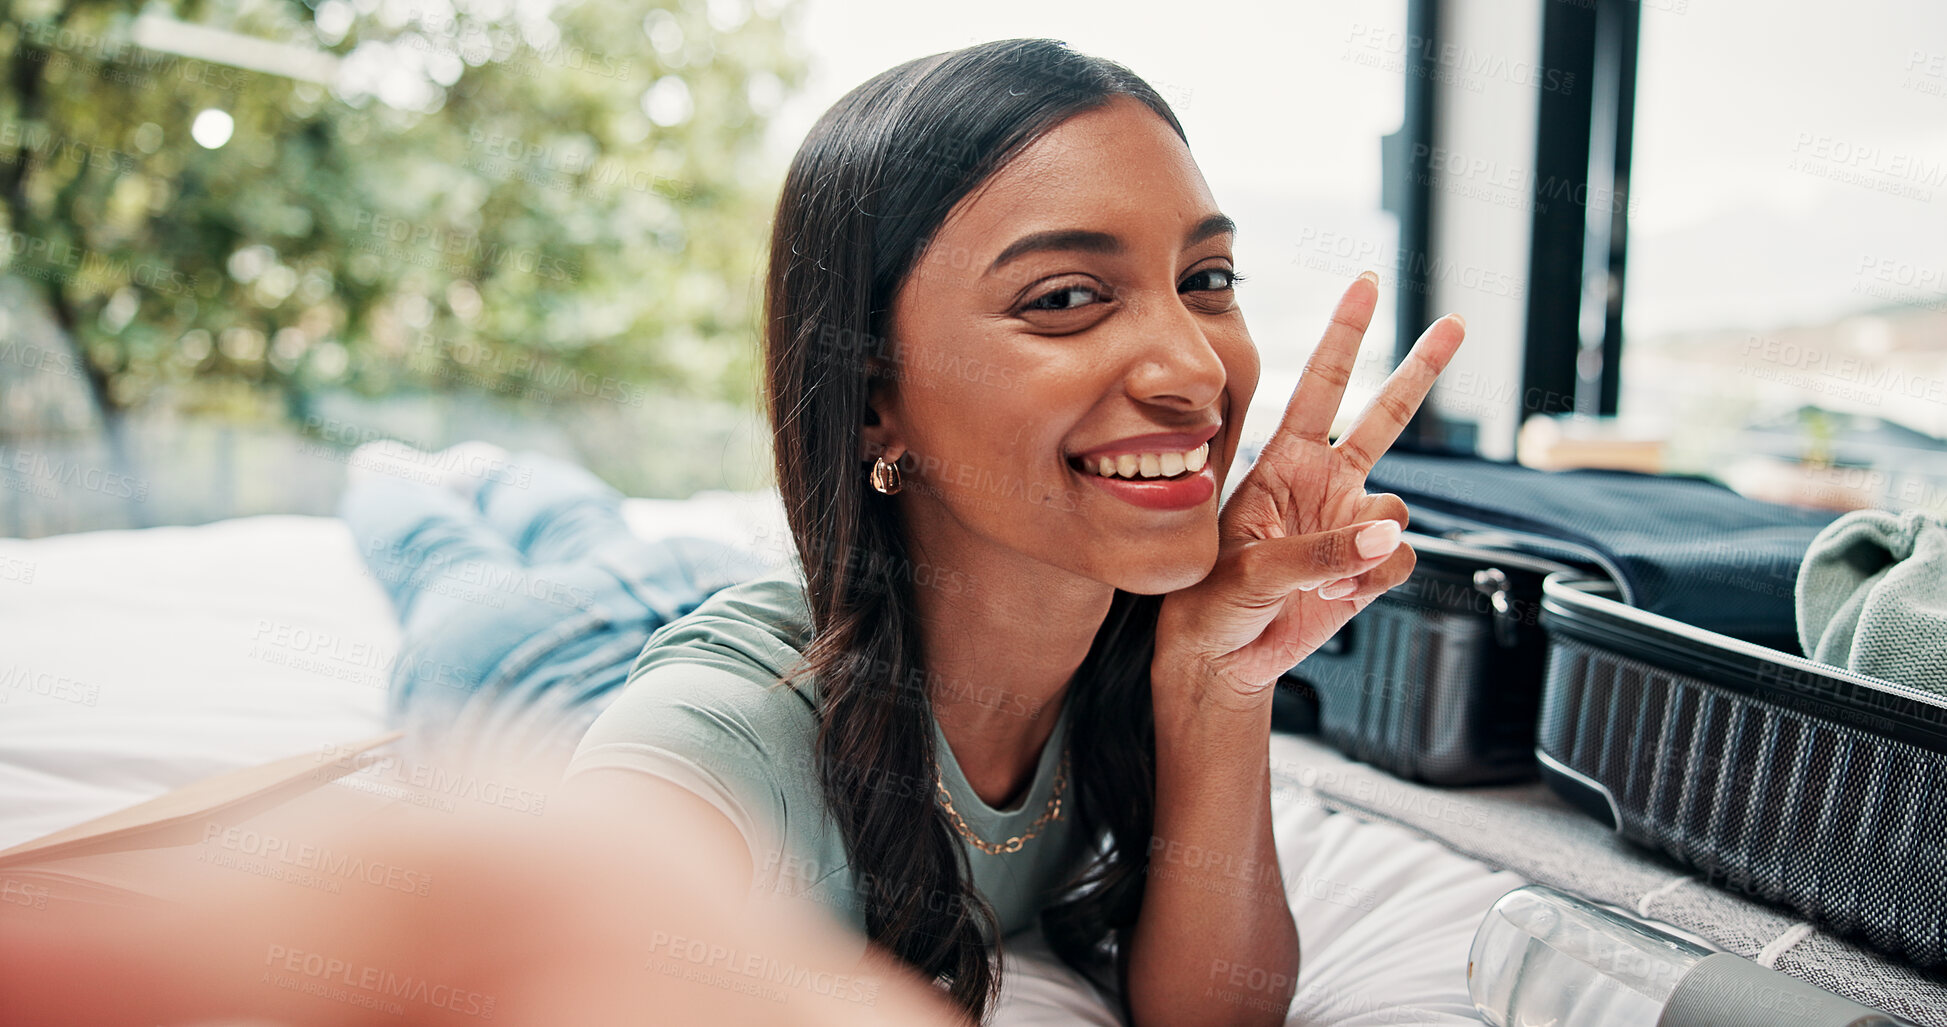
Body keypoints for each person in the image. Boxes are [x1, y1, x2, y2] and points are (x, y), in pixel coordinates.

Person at [560, 36, 1465, 1027]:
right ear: (871, 403)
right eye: (1066, 298)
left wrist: (1222, 684)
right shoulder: (713, 739)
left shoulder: (1138, 643)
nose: (1197, 370)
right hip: (568, 641)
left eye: (1206, 279)